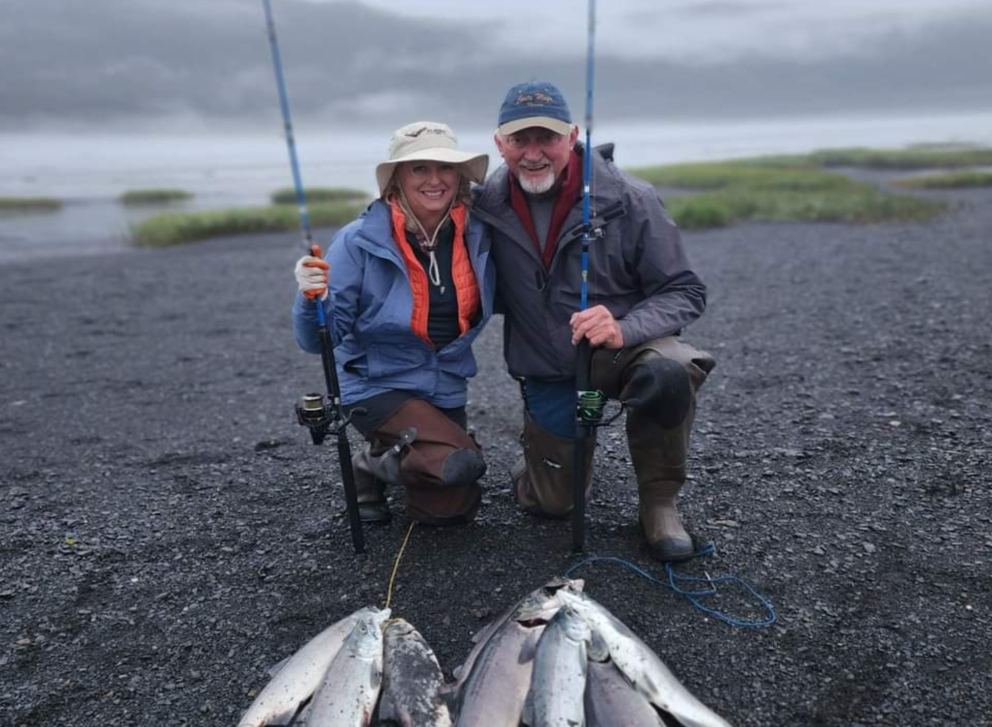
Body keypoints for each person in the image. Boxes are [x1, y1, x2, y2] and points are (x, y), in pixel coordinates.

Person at [472, 81, 715, 561]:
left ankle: (660, 502)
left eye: (548, 138)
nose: (534, 153)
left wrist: (625, 327)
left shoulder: (630, 197)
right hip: (547, 367)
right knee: (551, 505)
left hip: (622, 352)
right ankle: (547, 462)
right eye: (521, 140)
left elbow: (686, 291)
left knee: (669, 371)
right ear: (499, 143)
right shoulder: (482, 205)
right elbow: (413, 212)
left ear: (573, 136)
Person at [293, 121, 494, 526]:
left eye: (445, 168)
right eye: (419, 168)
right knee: (457, 464)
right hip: (377, 383)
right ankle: (368, 466)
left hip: (446, 382)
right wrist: (309, 295)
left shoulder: (479, 233)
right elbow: (319, 341)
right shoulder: (357, 240)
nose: (434, 180)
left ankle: (378, 461)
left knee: (450, 511)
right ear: (396, 179)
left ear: (460, 177)